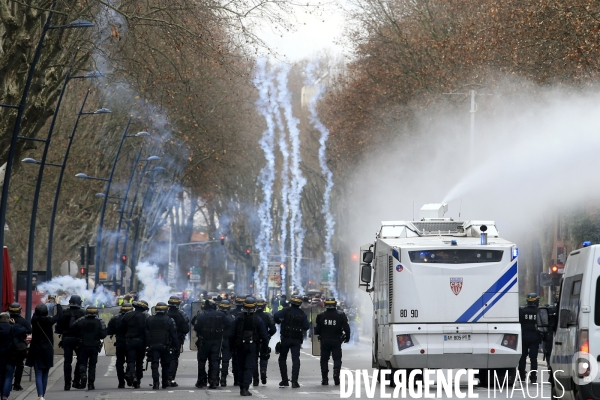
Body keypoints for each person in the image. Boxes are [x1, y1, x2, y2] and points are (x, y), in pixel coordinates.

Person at [231, 297, 269, 396]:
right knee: (249, 367)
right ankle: (245, 388)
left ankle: (241, 387)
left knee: (241, 367)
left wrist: (232, 348)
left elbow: (231, 334)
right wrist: (265, 349)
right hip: (252, 346)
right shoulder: (258, 320)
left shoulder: (238, 319)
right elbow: (265, 336)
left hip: (240, 346)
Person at [26, 301, 63, 400]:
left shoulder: (34, 320)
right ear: (46, 312)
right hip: (47, 350)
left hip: (36, 349)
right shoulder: (49, 321)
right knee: (45, 374)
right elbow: (59, 315)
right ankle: (43, 395)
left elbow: (35, 313)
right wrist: (57, 303)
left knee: (38, 373)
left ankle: (40, 395)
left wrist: (44, 303)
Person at [274, 295, 309, 388]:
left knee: (282, 359)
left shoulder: (286, 311)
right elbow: (306, 326)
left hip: (285, 339)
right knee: (295, 360)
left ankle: (285, 380)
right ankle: (294, 381)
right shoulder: (302, 314)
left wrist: (279, 321)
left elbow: (276, 315)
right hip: (296, 340)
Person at [194, 299, 231, 389]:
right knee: (214, 361)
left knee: (202, 361)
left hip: (204, 341)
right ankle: (213, 381)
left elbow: (196, 327)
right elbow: (229, 323)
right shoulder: (221, 314)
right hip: (216, 341)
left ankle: (201, 381)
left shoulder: (201, 315)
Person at [314, 297, 350, 385]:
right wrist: (347, 337)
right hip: (336, 340)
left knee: (324, 360)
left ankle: (325, 379)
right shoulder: (341, 315)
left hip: (325, 340)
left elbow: (317, 330)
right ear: (335, 304)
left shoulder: (321, 315)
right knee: (337, 358)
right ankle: (336, 374)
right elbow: (346, 328)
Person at [70, 306, 107, 390]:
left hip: (83, 345)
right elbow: (103, 334)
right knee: (92, 365)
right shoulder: (99, 321)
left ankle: (83, 374)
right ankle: (91, 383)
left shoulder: (81, 321)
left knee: (83, 362)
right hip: (94, 346)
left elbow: (72, 327)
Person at [146, 302, 179, 390]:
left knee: (154, 364)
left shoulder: (150, 319)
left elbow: (146, 333)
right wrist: (177, 346)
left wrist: (147, 345)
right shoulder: (169, 320)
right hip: (165, 346)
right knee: (165, 365)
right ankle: (164, 382)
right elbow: (173, 335)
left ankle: (156, 382)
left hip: (153, 346)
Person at [56, 294, 85, 390]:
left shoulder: (65, 312)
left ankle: (67, 383)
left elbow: (58, 328)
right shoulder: (82, 312)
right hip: (79, 339)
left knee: (67, 361)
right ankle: (76, 381)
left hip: (67, 339)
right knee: (80, 360)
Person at [120, 299, 150, 388]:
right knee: (139, 362)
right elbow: (148, 330)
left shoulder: (127, 315)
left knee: (131, 360)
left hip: (130, 341)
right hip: (141, 342)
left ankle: (132, 375)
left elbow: (121, 328)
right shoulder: (146, 316)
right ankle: (138, 379)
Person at [0, 312, 28, 400]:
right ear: (9, 319)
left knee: (0, 376)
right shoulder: (13, 328)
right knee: (9, 376)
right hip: (10, 355)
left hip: (0, 356)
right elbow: (24, 330)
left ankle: (1, 394)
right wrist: (14, 324)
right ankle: (5, 396)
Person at [107, 302, 133, 388]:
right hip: (130, 342)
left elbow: (109, 331)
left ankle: (121, 382)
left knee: (119, 363)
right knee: (131, 361)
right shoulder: (134, 318)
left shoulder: (115, 318)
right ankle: (129, 375)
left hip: (120, 342)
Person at [7, 302, 31, 392]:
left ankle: (7, 384)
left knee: (8, 366)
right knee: (19, 366)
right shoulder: (23, 321)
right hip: (20, 346)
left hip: (7, 346)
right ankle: (17, 384)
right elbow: (29, 330)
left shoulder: (6, 319)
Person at [166, 295, 189, 387]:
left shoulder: (164, 313)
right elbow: (186, 329)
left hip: (164, 339)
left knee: (165, 358)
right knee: (174, 358)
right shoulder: (181, 314)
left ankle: (164, 378)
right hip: (177, 339)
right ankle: (170, 378)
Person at [518, 293, 541, 384]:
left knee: (522, 357)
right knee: (533, 358)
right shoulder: (538, 312)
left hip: (523, 336)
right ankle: (533, 377)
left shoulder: (522, 311)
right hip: (535, 337)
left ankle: (521, 376)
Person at [254, 298, 276, 386]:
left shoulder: (252, 316)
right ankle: (263, 370)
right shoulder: (267, 316)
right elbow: (273, 329)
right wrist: (268, 335)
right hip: (264, 339)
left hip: (253, 340)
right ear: (264, 306)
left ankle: (255, 378)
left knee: (254, 358)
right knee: (264, 356)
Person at [230, 295, 246, 386]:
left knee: (235, 361)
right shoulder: (249, 315)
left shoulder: (232, 313)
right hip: (247, 340)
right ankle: (245, 380)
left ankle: (236, 380)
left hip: (236, 340)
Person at [218, 300, 233, 386]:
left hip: (217, 339)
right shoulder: (230, 317)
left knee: (215, 360)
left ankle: (215, 378)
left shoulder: (216, 315)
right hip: (226, 339)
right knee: (225, 360)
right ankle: (223, 378)